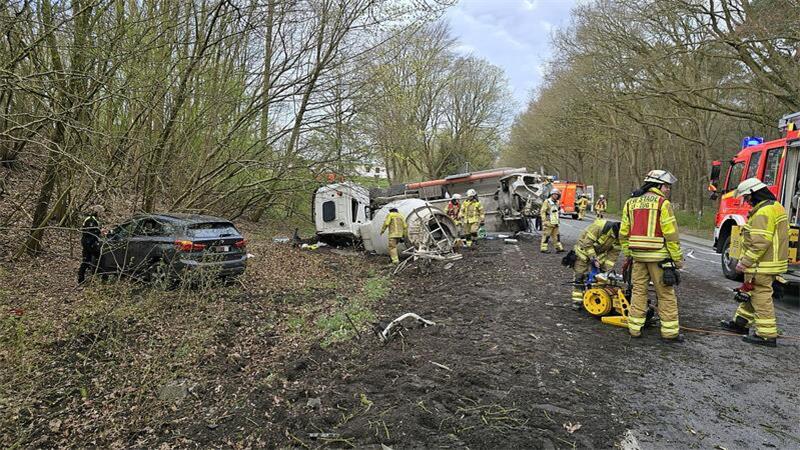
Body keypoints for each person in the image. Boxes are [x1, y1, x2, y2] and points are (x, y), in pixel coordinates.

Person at [719, 178, 787, 347]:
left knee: (761, 297)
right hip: (769, 262)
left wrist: (744, 262)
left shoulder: (763, 212)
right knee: (751, 293)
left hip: (761, 265)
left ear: (754, 194)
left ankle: (766, 335)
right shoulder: (775, 207)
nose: (747, 201)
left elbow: (759, 243)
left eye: (747, 197)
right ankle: (740, 323)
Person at [619, 170, 684, 342]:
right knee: (665, 294)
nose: (668, 189)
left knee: (638, 292)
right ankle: (670, 333)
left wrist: (628, 253)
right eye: (666, 186)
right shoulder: (663, 203)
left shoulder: (630, 202)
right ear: (657, 185)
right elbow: (671, 235)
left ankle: (634, 329)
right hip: (659, 259)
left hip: (638, 257)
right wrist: (677, 259)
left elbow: (623, 232)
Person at [571, 219, 621, 307]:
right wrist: (594, 259)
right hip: (583, 251)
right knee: (579, 276)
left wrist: (606, 271)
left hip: (599, 255)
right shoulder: (599, 227)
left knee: (600, 278)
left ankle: (595, 299)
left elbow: (613, 255)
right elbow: (587, 244)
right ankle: (577, 301)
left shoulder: (619, 237)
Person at [78, 205, 105, 285]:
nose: (102, 214)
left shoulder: (94, 220)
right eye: (101, 212)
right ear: (98, 212)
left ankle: (96, 276)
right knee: (88, 260)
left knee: (92, 259)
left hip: (90, 242)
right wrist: (100, 231)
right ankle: (81, 279)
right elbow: (90, 232)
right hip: (88, 242)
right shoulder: (90, 220)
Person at [540, 189, 564, 253]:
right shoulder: (547, 202)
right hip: (548, 222)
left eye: (557, 195)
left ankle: (559, 248)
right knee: (546, 236)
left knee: (557, 236)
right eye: (554, 194)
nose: (556, 196)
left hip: (556, 222)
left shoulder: (557, 202)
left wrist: (561, 210)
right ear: (551, 195)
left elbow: (557, 210)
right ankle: (543, 248)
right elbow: (543, 211)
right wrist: (544, 221)